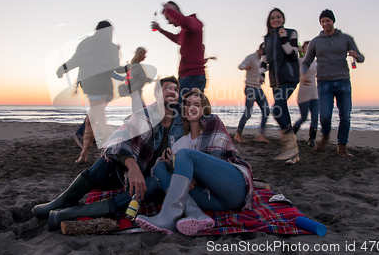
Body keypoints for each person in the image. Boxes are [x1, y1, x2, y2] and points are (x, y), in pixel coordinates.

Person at [32, 76, 186, 230]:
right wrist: (132, 167)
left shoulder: (185, 120)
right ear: (157, 94)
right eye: (167, 88)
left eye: (176, 89)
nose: (172, 92)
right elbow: (118, 139)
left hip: (158, 180)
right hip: (132, 173)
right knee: (110, 158)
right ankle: (63, 201)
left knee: (152, 184)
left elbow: (205, 131)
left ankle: (72, 212)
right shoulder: (145, 115)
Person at [136, 89, 254, 235]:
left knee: (184, 155)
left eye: (196, 105)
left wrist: (194, 177)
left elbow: (219, 158)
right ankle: (196, 214)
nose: (191, 107)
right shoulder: (181, 142)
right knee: (160, 166)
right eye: (188, 104)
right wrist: (169, 163)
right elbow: (173, 170)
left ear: (204, 109)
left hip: (233, 187)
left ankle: (168, 216)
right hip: (215, 201)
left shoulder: (213, 123)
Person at [56, 20, 124, 164]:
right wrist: (128, 69)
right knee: (97, 119)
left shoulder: (86, 43)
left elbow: (75, 60)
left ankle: (84, 154)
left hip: (90, 84)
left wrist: (63, 69)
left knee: (92, 119)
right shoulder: (111, 48)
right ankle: (113, 149)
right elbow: (116, 67)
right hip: (103, 86)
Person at [301, 9, 365, 157]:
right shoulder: (315, 42)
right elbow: (306, 62)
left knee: (345, 116)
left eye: (327, 20)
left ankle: (342, 147)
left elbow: (361, 58)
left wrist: (357, 56)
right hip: (324, 83)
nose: (325, 23)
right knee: (325, 115)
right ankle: (324, 136)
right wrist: (303, 74)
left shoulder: (346, 38)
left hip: (343, 81)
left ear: (333, 21)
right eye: (322, 21)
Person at [259, 8, 300, 163]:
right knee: (284, 113)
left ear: (283, 19)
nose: (275, 20)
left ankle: (289, 147)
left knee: (276, 109)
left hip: (289, 78)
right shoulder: (267, 39)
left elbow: (293, 54)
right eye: (272, 18)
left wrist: (284, 40)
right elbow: (264, 60)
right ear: (269, 21)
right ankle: (294, 155)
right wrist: (261, 74)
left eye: (278, 17)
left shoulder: (291, 33)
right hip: (275, 81)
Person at [152, 2, 206, 101]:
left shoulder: (194, 22)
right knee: (181, 110)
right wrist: (160, 30)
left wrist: (168, 9)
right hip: (184, 76)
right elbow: (178, 40)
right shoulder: (184, 31)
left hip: (193, 76)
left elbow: (184, 22)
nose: (168, 22)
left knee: (185, 111)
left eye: (168, 18)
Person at [234, 43, 271, 144]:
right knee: (248, 113)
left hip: (259, 88)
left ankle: (261, 135)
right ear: (259, 49)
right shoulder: (251, 57)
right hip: (250, 88)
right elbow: (240, 66)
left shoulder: (263, 60)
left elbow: (264, 68)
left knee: (266, 111)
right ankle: (238, 135)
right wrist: (245, 66)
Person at [293, 41, 319, 148]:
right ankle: (291, 135)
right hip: (304, 93)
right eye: (306, 48)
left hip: (315, 93)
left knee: (315, 117)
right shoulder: (299, 61)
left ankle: (311, 139)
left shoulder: (317, 62)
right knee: (303, 117)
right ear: (303, 50)